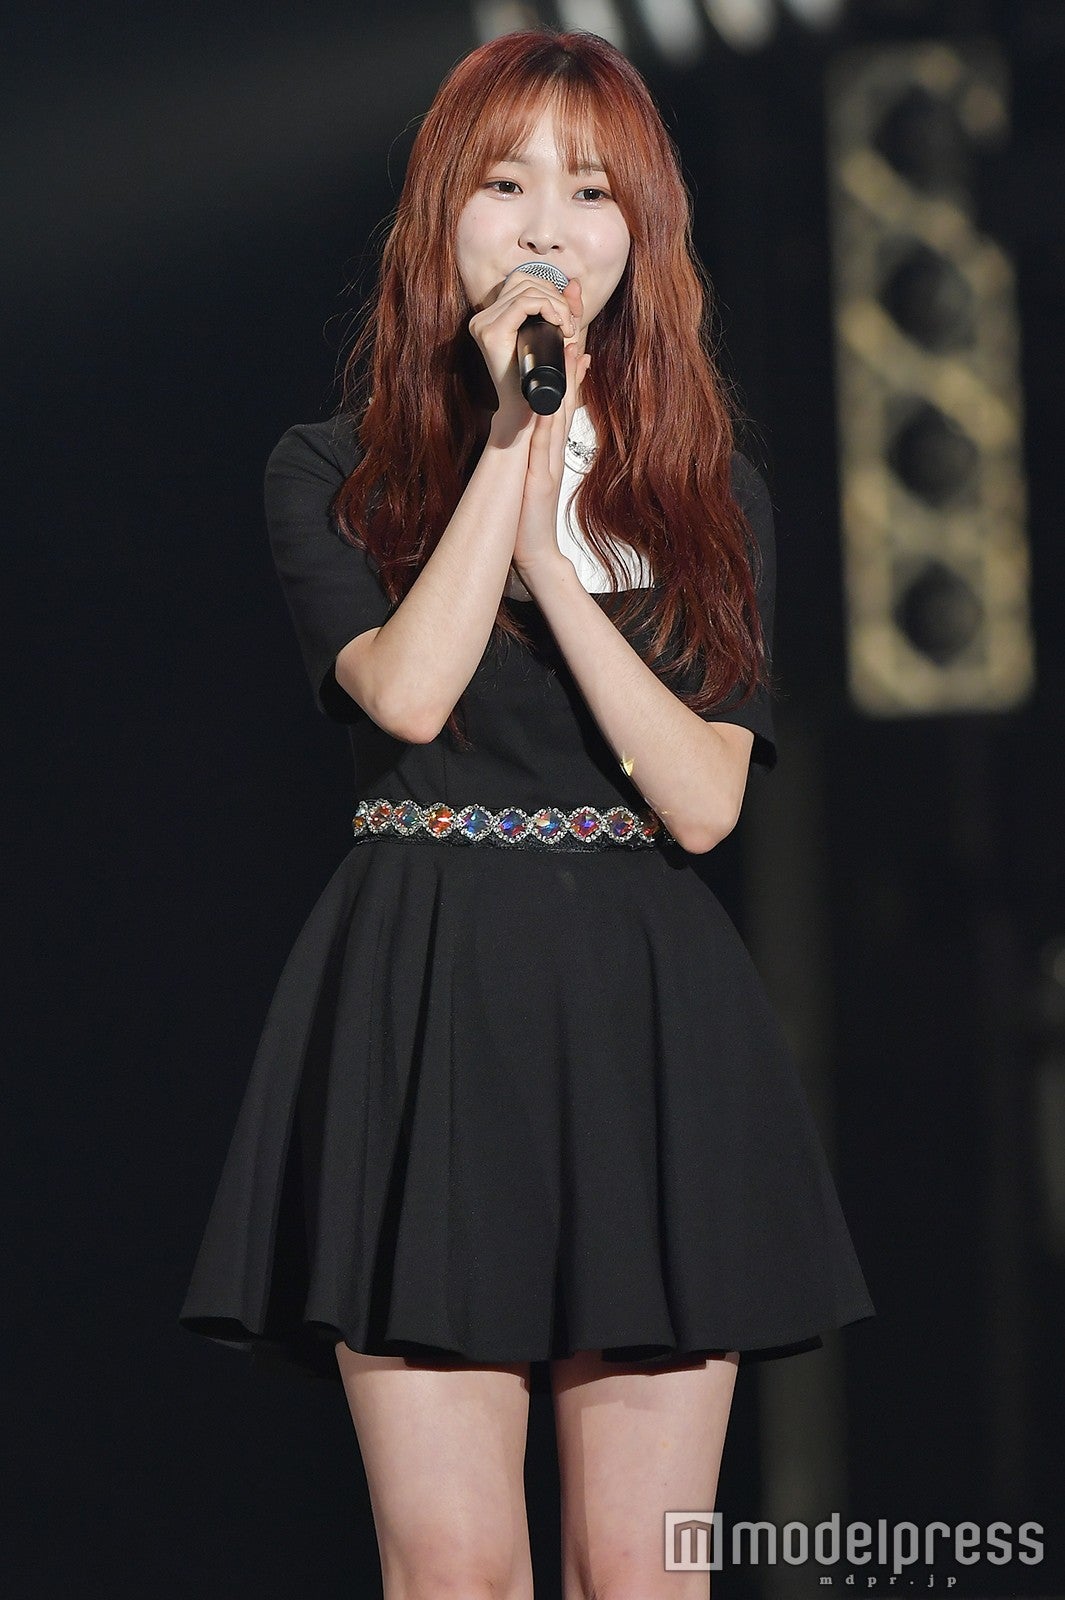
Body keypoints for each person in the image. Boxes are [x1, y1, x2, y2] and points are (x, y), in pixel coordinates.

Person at [180, 27, 875, 1600]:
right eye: (507, 185)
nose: (548, 227)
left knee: (640, 1571)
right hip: (423, 1000)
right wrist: (512, 443)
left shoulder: (708, 498)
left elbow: (702, 800)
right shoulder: (334, 475)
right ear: (444, 213)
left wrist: (558, 570)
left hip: (642, 1017)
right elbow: (411, 695)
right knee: (457, 1571)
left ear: (643, 235)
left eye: (590, 192)